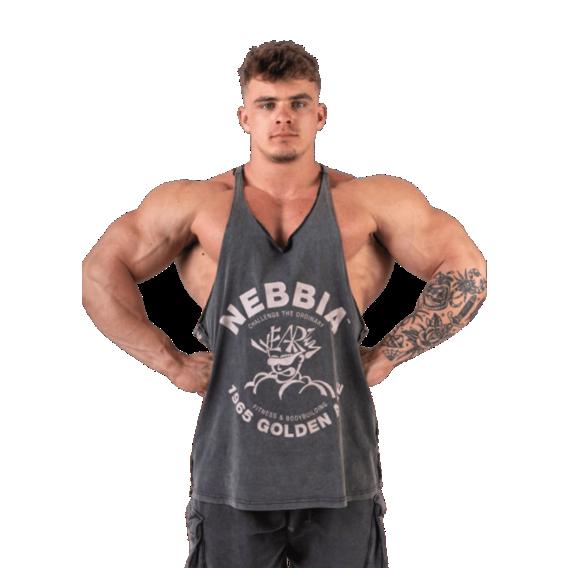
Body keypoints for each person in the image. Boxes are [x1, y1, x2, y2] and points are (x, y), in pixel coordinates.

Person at [82, 39, 487, 568]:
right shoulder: (196, 205)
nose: (283, 118)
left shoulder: (371, 202)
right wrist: (171, 363)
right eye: (268, 104)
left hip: (342, 475)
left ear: (320, 114)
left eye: (298, 103)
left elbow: (466, 270)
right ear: (244, 117)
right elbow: (100, 272)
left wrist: (391, 353)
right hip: (230, 475)